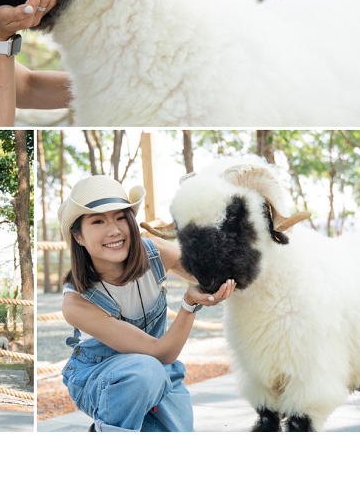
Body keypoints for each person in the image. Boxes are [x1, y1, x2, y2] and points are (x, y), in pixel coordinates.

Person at [59, 175, 236, 431]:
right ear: (78, 237)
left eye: (120, 217)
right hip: (100, 379)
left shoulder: (155, 253)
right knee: (145, 371)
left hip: (161, 374)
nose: (114, 230)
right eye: (98, 221)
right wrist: (188, 304)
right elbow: (160, 352)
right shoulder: (76, 302)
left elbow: (214, 273)